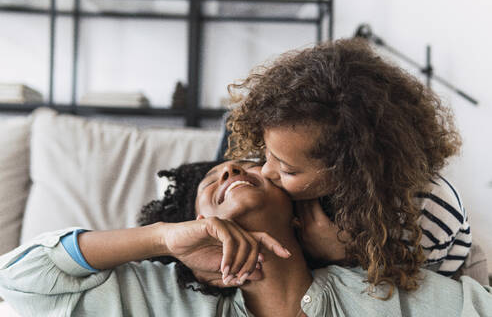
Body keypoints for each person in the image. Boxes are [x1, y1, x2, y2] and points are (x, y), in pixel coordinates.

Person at [0, 160, 490, 317]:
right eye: (211, 181)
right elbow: (17, 282)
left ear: (298, 214)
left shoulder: (384, 297)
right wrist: (162, 239)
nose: (231, 169)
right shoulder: (160, 295)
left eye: (249, 165)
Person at [223, 38, 471, 293]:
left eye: (288, 170)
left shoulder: (428, 208)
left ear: (350, 171)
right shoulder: (285, 161)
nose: (265, 170)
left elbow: (415, 300)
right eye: (266, 152)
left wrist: (343, 256)